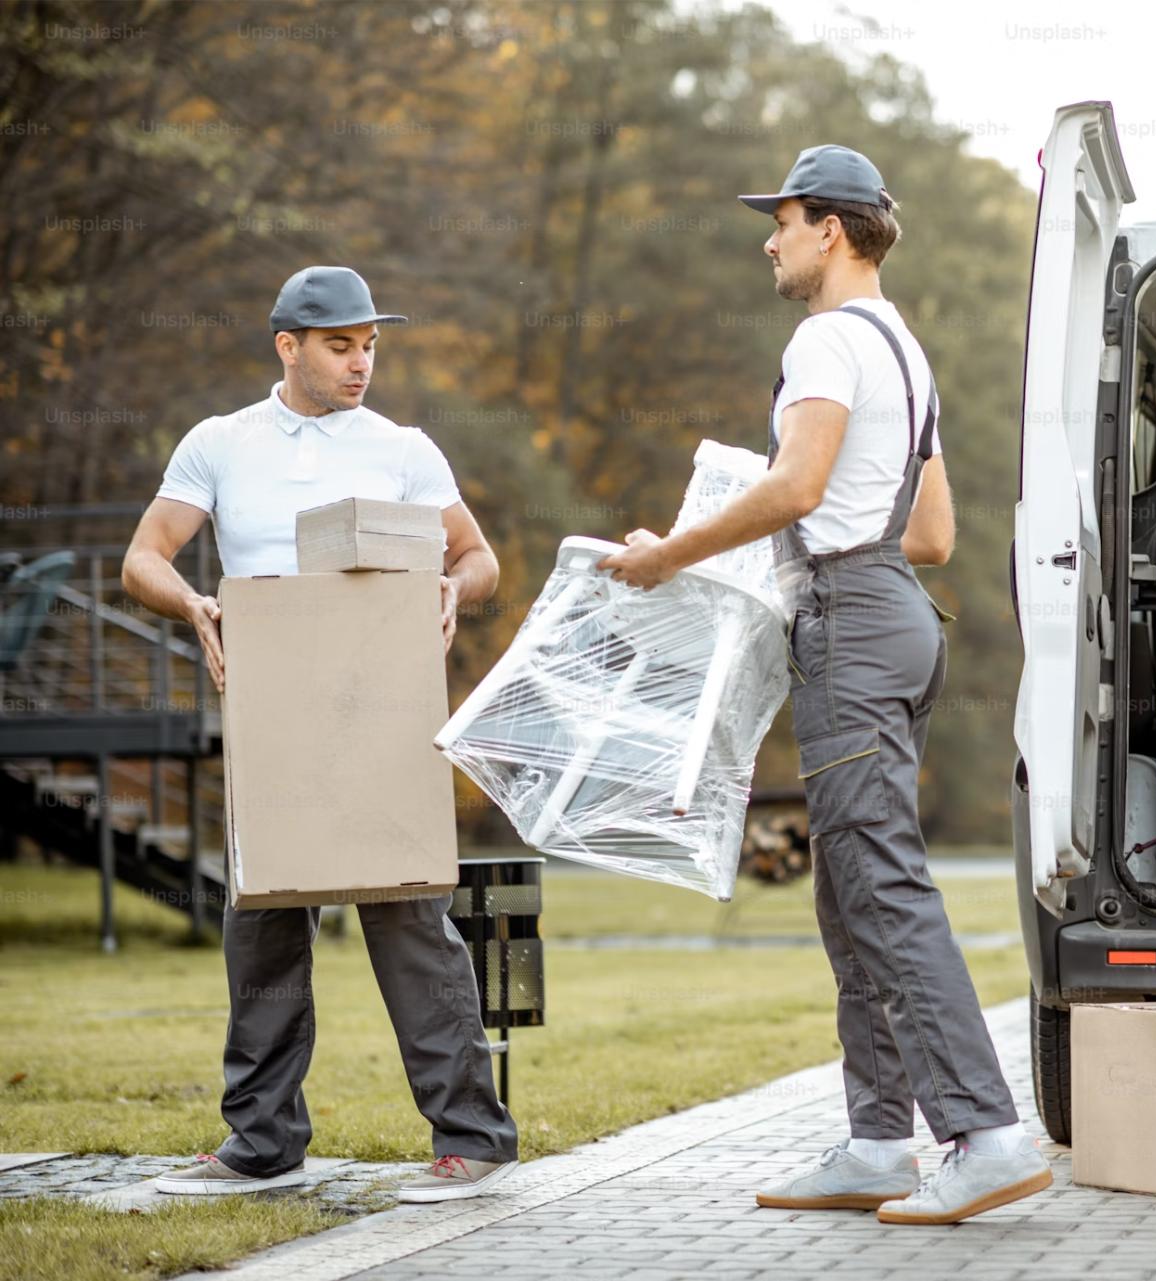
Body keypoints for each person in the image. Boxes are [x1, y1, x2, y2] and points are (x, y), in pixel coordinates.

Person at [599, 145, 1049, 1225]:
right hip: (894, 611)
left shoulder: (824, 340)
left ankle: (983, 1135)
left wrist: (674, 555)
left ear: (831, 230)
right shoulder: (904, 350)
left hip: (851, 622)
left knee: (880, 882)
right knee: (848, 888)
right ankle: (877, 1139)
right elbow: (933, 534)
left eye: (785, 220)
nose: (772, 238)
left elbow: (797, 484)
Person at [123, 266, 519, 1203]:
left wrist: (451, 589)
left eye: (371, 343)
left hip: (384, 712)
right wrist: (193, 603)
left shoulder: (402, 449)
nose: (361, 361)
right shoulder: (221, 444)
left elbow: (481, 558)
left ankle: (472, 1138)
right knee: (259, 926)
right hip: (273, 717)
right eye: (341, 344)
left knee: (412, 918)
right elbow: (145, 554)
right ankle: (260, 1145)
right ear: (287, 346)